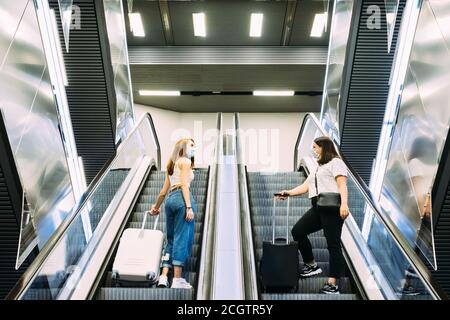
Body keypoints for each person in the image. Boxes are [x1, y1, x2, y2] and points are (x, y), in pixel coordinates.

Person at [276, 136, 349, 294]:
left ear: (324, 147)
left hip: (332, 208)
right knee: (298, 231)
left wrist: (344, 204)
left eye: (316, 147)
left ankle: (333, 283)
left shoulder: (336, 163)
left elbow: (342, 184)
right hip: (318, 207)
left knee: (333, 244)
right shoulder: (318, 166)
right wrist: (288, 193)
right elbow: (305, 186)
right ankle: (311, 264)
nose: (314, 151)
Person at [147, 138, 197, 289]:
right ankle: (177, 279)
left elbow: (163, 192)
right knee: (182, 238)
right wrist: (188, 207)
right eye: (192, 145)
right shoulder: (186, 162)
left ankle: (163, 276)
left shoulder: (171, 164)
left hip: (170, 200)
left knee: (171, 239)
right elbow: (184, 185)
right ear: (183, 148)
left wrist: (155, 208)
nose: (195, 148)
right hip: (182, 199)